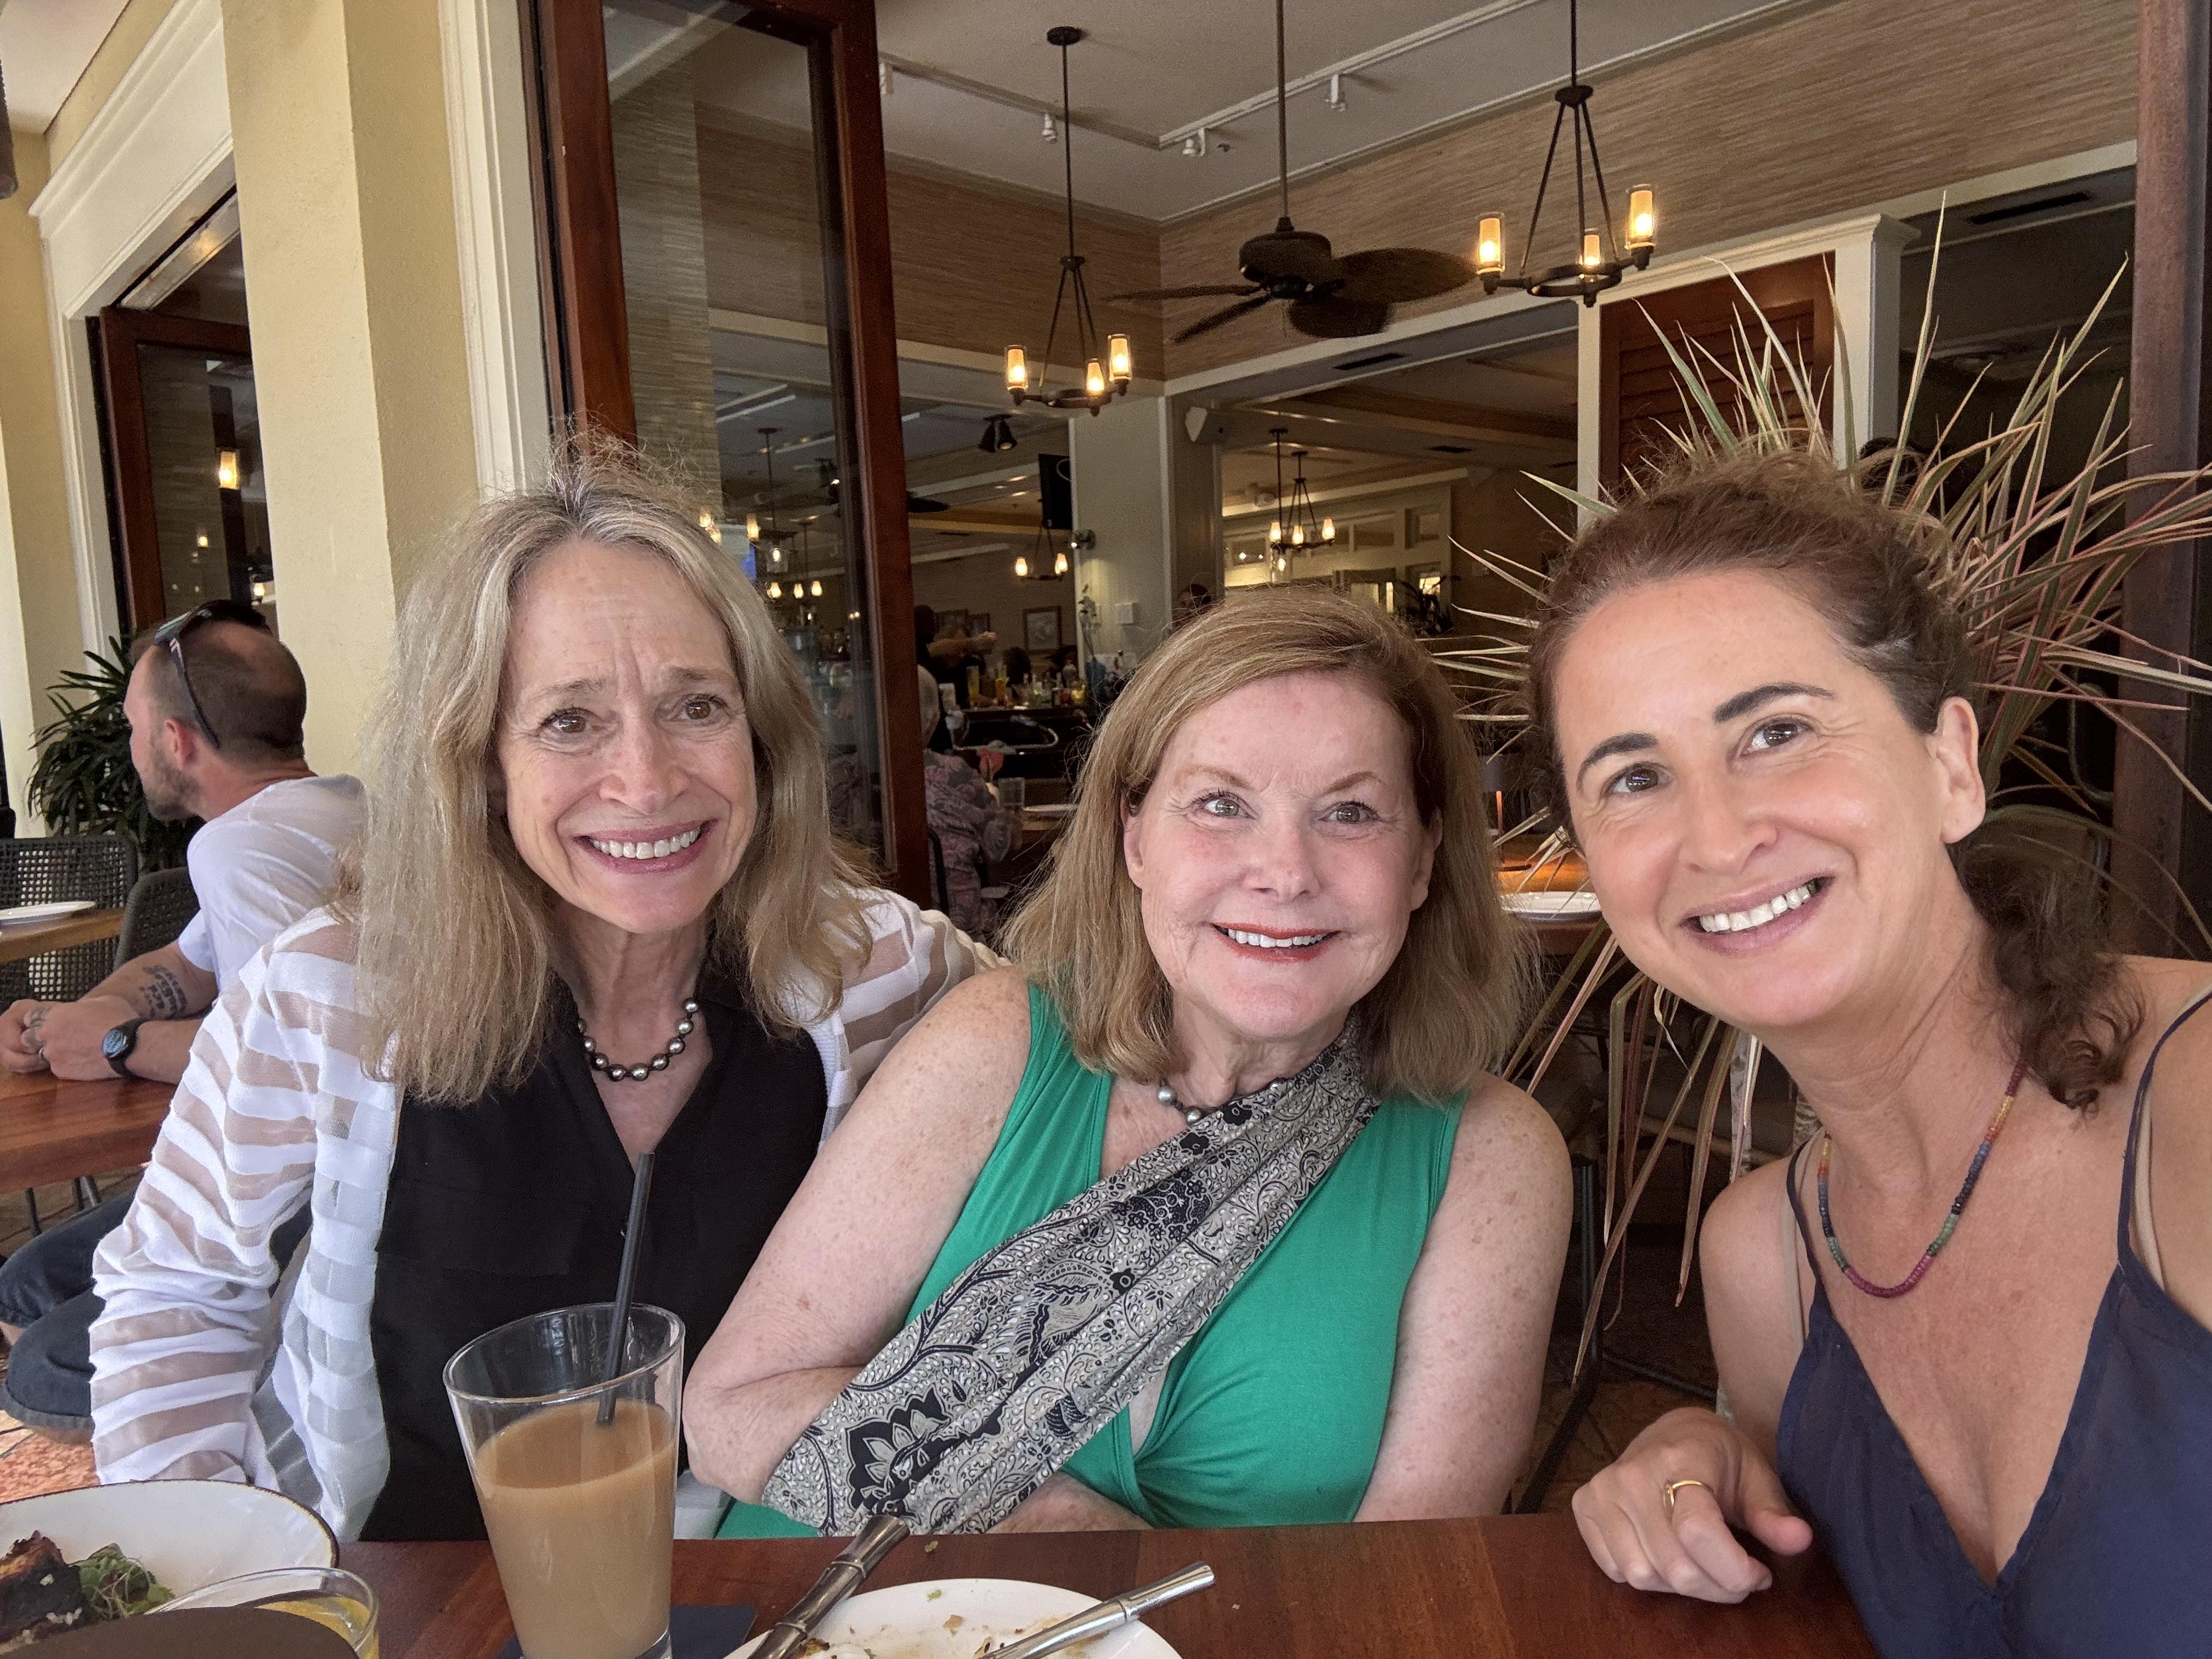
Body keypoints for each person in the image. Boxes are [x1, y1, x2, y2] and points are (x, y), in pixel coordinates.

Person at [87, 449, 997, 1541]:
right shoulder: (330, 997)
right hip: (404, 1597)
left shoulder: (867, 970)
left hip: (749, 1598)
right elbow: (175, 1300)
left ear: (761, 739)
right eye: (569, 722)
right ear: (478, 763)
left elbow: (1094, 1039)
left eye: (696, 707)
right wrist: (232, 1578)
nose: (648, 779)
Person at [688, 588, 1569, 1536]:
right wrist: (1069, 1531)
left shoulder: (1490, 1159)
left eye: (1350, 811)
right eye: (1220, 803)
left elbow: (1407, 1592)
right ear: (1133, 834)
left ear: (1426, 857)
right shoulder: (998, 1040)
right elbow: (733, 1407)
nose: (1285, 869)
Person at [1544, 450, 2211, 1653]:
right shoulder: (1768, 1261)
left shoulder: (2196, 1106)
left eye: (1778, 731)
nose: (1719, 835)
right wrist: (1692, 1451)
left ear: (1950, 766)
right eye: (1635, 777)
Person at [0, 602, 363, 1436]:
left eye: (133, 727)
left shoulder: (236, 849)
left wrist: (120, 1047)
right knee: (27, 1280)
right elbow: (185, 966)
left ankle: (188, 1463)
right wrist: (78, 1018)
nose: (129, 749)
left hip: (316, 1191)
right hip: (321, 1172)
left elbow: (297, 1063)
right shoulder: (334, 809)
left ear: (174, 740)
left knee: (43, 1367)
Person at [918, 667, 1014, 936]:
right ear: (935, 720)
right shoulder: (956, 775)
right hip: (958, 937)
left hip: (876, 940)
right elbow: (1000, 848)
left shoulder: (848, 778)